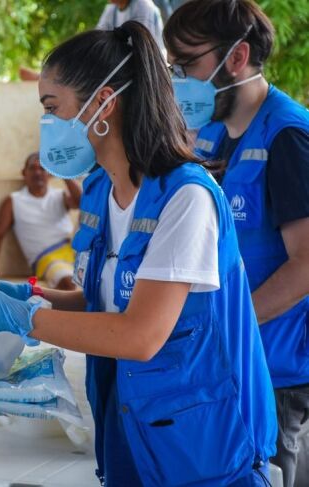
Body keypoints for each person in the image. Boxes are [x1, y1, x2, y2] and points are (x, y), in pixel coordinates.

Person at [0, 21, 277, 486]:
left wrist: (20, 318)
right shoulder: (102, 192)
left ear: (103, 103)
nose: (46, 125)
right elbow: (106, 301)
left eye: (52, 108)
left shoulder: (186, 198)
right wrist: (31, 296)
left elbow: (140, 335)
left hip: (206, 445)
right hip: (128, 427)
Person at [164, 2, 309, 485]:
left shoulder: (287, 136)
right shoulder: (209, 135)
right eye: (174, 68)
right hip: (223, 364)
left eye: (187, 65)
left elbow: (306, 263)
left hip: (277, 374)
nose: (180, 80)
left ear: (237, 56)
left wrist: (233, 322)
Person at [0, 153, 81, 290]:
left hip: (73, 251)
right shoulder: (14, 201)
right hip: (46, 259)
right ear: (24, 173)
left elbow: (82, 203)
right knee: (69, 283)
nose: (37, 172)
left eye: (42, 168)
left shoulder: (59, 195)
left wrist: (64, 174)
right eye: (32, 168)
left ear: (49, 173)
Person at [97, 0, 165, 53]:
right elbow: (99, 36)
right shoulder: (111, 9)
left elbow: (143, 45)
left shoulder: (143, 5)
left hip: (152, 62)